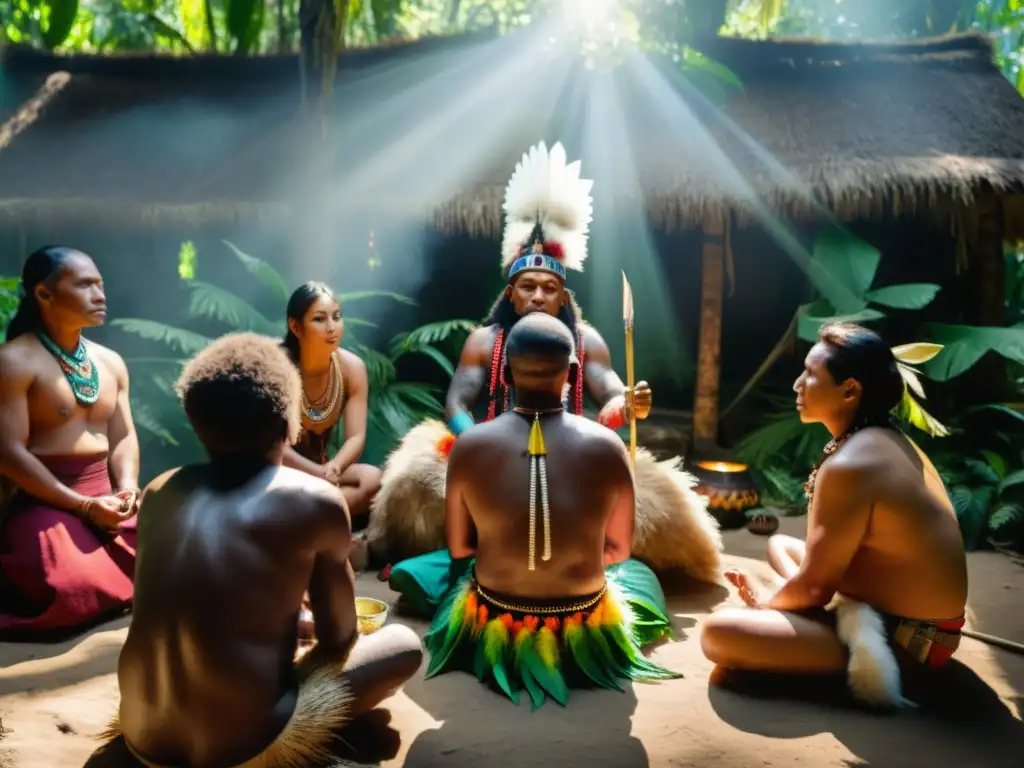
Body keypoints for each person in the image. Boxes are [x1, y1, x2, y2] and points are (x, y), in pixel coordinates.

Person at [369, 141, 721, 583]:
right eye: (528, 286)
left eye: (548, 288)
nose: (537, 295)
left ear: (563, 295)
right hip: (491, 449)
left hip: (567, 452)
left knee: (650, 499)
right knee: (415, 478)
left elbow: (609, 390)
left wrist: (628, 404)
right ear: (511, 293)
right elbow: (457, 402)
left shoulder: (585, 341)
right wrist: (476, 443)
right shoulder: (485, 340)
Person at [107, 332, 422, 768]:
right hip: (243, 747)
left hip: (142, 733)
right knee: (403, 645)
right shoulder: (316, 502)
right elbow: (340, 636)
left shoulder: (160, 491)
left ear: (195, 421)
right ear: (287, 423)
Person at [399, 313, 680, 709]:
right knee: (640, 574)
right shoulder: (607, 446)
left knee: (425, 573)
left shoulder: (468, 446)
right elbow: (618, 552)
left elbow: (460, 549)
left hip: (494, 612)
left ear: (506, 377)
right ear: (572, 373)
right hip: (585, 615)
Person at [700, 324, 968, 705]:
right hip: (902, 614)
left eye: (810, 374)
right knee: (780, 544)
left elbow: (814, 588)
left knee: (719, 632)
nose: (797, 385)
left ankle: (834, 662)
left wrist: (765, 601)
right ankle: (800, 634)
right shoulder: (881, 438)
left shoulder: (853, 464)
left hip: (910, 641)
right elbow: (822, 575)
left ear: (849, 391)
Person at [0, 246, 140, 639]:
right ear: (44, 295)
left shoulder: (110, 361)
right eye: (85, 285)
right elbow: (9, 454)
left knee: (181, 546)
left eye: (101, 284)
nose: (100, 294)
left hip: (109, 499)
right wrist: (82, 505)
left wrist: (127, 488)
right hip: (45, 501)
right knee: (71, 586)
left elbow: (124, 435)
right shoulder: (13, 362)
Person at [280, 281, 381, 528]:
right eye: (319, 319)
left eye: (336, 317)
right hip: (278, 474)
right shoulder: (276, 368)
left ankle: (306, 522)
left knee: (372, 479)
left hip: (325, 471)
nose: (331, 328)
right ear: (296, 326)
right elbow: (274, 447)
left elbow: (356, 437)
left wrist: (334, 467)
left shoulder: (352, 369)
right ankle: (317, 519)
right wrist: (318, 475)